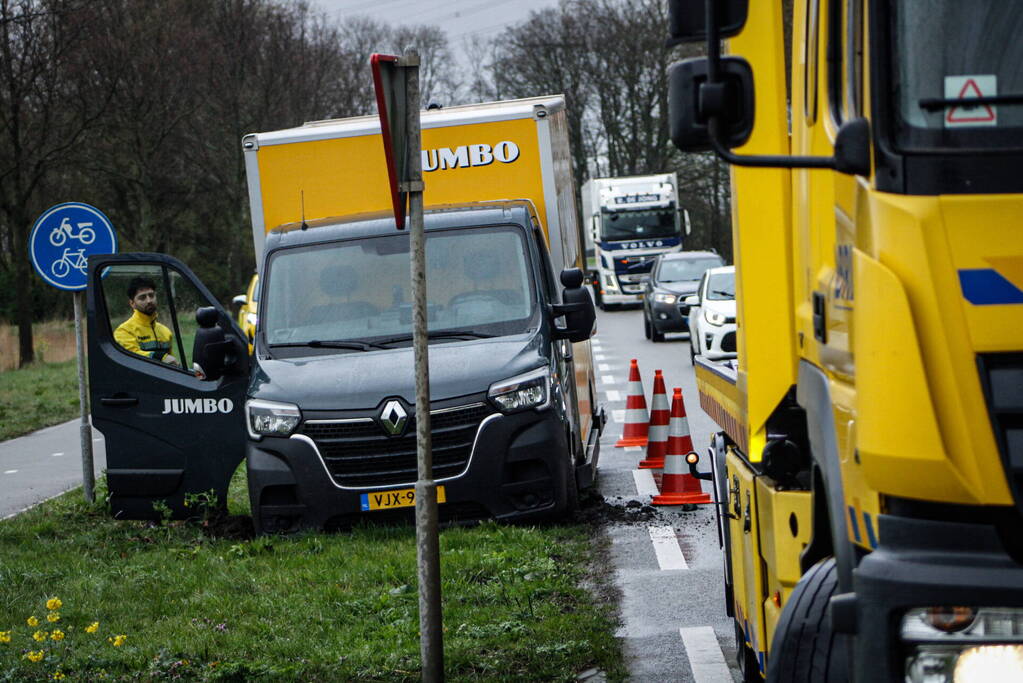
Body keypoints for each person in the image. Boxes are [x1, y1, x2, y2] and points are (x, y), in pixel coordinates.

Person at [114, 277, 179, 365]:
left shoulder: (166, 332)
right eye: (142, 297)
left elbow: (172, 363)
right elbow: (132, 356)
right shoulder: (124, 331)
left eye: (151, 295)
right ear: (132, 303)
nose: (149, 301)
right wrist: (161, 357)